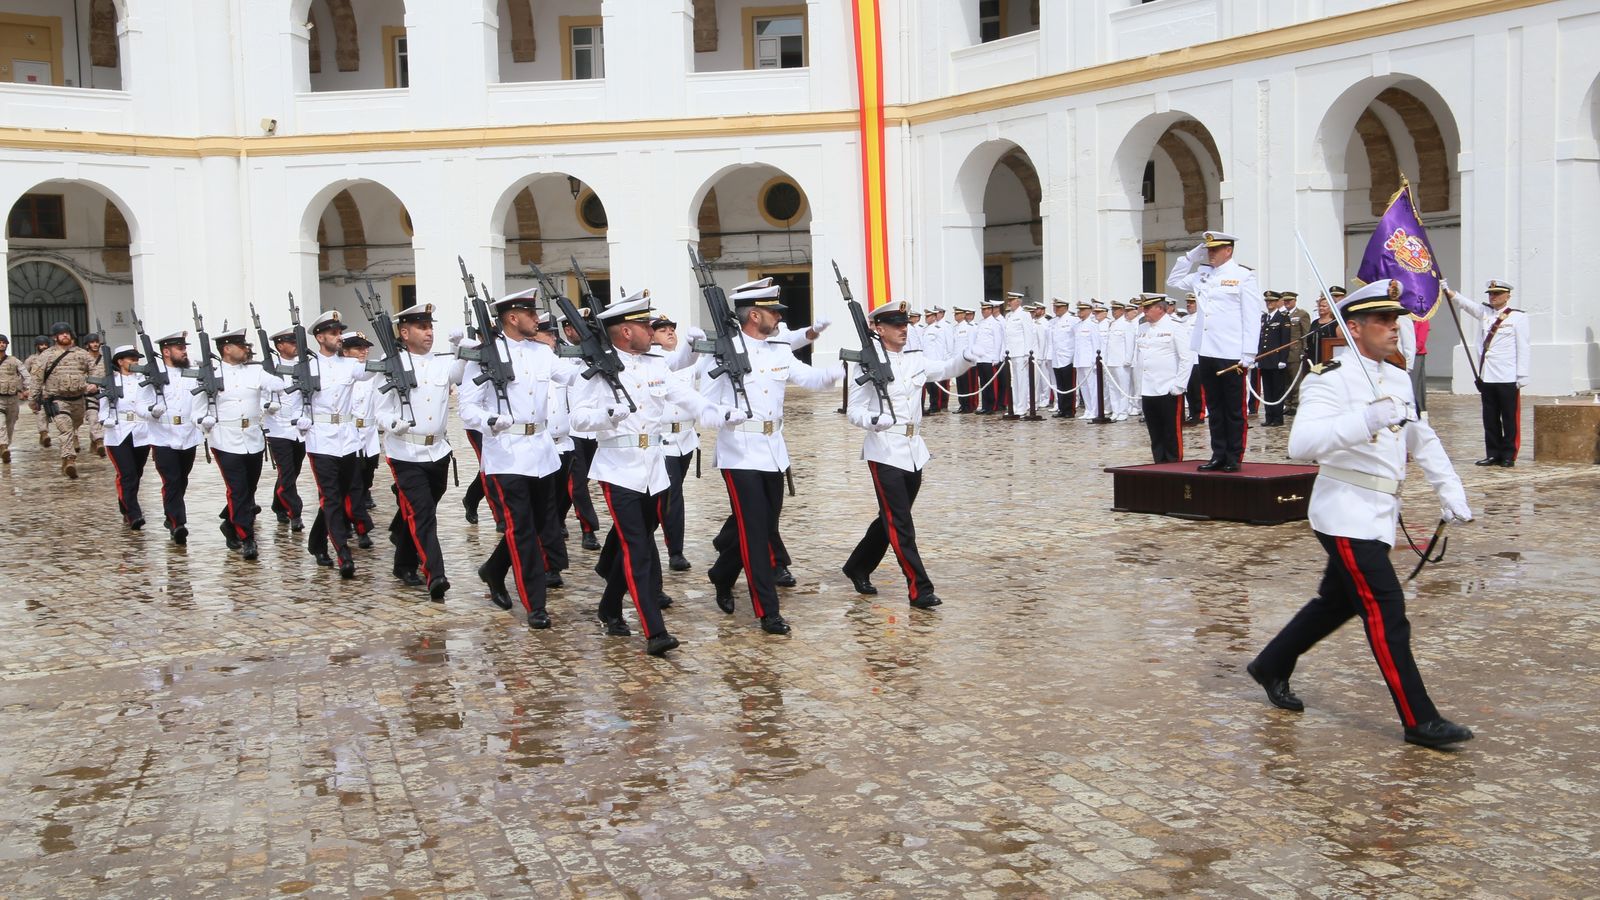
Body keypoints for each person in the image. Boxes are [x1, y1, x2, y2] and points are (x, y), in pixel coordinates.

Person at [1247, 279, 1476, 750]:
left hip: (1380, 510)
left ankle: (1271, 663)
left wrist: (1448, 488)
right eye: (1383, 320)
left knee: (1337, 600)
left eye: (1396, 319)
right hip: (1345, 510)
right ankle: (1420, 719)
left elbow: (1419, 437)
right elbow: (1301, 445)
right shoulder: (1328, 377)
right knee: (1386, 608)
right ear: (1354, 327)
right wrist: (1366, 420)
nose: (1395, 327)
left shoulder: (1394, 376)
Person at [575, 293, 742, 655]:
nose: (652, 330)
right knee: (639, 548)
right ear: (624, 332)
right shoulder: (598, 367)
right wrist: (609, 414)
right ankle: (654, 631)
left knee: (630, 542)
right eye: (644, 325)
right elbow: (577, 418)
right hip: (618, 468)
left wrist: (718, 413)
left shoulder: (655, 363)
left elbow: (684, 396)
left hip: (655, 465)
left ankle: (608, 606)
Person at [701, 278, 844, 635]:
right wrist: (724, 415)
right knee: (754, 533)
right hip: (738, 452)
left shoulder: (777, 348)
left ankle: (722, 574)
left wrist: (839, 373)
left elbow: (810, 379)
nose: (779, 318)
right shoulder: (722, 351)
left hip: (773, 450)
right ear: (753, 315)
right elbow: (702, 407)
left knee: (764, 526)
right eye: (772, 312)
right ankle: (768, 610)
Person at [842, 302, 976, 608]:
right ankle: (920, 588)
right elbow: (855, 410)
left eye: (905, 324)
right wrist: (873, 421)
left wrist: (967, 357)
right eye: (896, 325)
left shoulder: (914, 359)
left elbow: (945, 369)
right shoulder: (867, 363)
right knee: (900, 522)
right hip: (884, 448)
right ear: (878, 328)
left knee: (890, 518)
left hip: (914, 450)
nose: (904, 329)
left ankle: (858, 565)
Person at [458, 288, 571, 626]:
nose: (537, 318)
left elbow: (571, 375)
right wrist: (488, 420)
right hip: (506, 453)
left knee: (538, 526)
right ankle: (535, 604)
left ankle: (494, 570)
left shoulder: (541, 353)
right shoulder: (484, 355)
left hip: (541, 451)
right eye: (530, 313)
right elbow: (467, 407)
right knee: (521, 529)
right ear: (511, 318)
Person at [374, 303, 461, 601]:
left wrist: (458, 346)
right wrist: (391, 423)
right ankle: (435, 573)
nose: (429, 332)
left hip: (438, 451)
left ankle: (403, 562)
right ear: (404, 332)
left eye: (430, 327)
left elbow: (460, 373)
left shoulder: (440, 362)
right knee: (423, 514)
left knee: (422, 510)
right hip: (405, 452)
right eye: (422, 327)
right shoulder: (391, 363)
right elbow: (379, 410)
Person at [1167, 230, 1264, 472]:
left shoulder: (1243, 276)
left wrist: (1248, 354)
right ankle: (1218, 453)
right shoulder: (1202, 275)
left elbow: (1252, 317)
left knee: (1233, 408)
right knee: (1214, 407)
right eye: (1207, 250)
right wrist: (1192, 255)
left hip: (1231, 352)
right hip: (1206, 350)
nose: (1210, 254)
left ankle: (1234, 456)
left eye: (1214, 249)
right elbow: (1173, 281)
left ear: (1228, 250)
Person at [200, 327, 286, 560]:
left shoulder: (255, 371)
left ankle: (230, 523)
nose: (246, 349)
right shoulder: (210, 373)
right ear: (227, 349)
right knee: (237, 490)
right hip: (225, 438)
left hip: (253, 438)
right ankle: (247, 537)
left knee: (249, 489)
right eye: (241, 346)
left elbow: (276, 383)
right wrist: (203, 421)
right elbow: (197, 408)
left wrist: (281, 381)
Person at [302, 311, 376, 579]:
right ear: (320, 337)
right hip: (321, 439)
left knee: (338, 494)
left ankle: (316, 541)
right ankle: (343, 553)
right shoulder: (307, 366)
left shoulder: (349, 365)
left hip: (347, 438)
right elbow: (298, 399)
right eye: (333, 333)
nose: (338, 337)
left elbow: (371, 371)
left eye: (339, 332)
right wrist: (299, 419)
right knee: (331, 497)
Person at [1446, 279, 1530, 467]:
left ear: (1508, 296)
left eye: (1497, 294)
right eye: (1491, 294)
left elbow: (1523, 347)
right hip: (1487, 375)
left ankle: (1508, 454)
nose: (1493, 297)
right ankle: (1493, 453)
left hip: (1508, 376)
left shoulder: (1518, 317)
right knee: (1490, 418)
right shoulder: (1485, 313)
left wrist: (1522, 375)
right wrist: (1449, 292)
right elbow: (1466, 305)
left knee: (1509, 418)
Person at [141, 331, 204, 545]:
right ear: (166, 351)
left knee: (182, 479)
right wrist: (151, 411)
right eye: (180, 348)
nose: (184, 351)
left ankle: (171, 514)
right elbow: (139, 404)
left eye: (184, 347)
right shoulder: (152, 374)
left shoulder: (192, 372)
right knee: (172, 479)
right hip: (162, 435)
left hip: (188, 433)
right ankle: (178, 523)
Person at [651, 314, 698, 572]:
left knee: (672, 496)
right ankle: (675, 551)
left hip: (686, 439)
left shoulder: (687, 363)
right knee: (672, 497)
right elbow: (679, 359)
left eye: (672, 329)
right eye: (662, 330)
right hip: (664, 439)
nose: (670, 333)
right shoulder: (656, 360)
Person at [28, 321, 99, 479]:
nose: (65, 335)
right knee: (65, 429)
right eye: (61, 333)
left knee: (75, 425)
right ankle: (69, 460)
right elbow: (37, 378)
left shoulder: (81, 354)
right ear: (55, 337)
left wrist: (94, 384)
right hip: (57, 399)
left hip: (79, 399)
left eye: (67, 332)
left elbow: (94, 370)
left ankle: (67, 456)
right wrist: (34, 399)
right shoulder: (47, 355)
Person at [1134, 294, 1194, 463]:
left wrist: (1179, 384)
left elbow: (1186, 357)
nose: (1144, 311)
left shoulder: (1175, 327)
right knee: (1155, 433)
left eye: (1147, 308)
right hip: (1148, 388)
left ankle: (1174, 466)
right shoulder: (1143, 328)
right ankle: (1159, 465)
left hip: (1168, 388)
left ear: (1160, 308)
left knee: (1171, 433)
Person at [98, 344, 152, 528]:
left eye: (137, 359)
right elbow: (103, 407)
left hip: (141, 431)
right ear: (120, 361)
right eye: (131, 358)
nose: (135, 362)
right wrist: (105, 419)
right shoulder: (110, 381)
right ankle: (134, 514)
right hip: (119, 431)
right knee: (127, 474)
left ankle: (126, 502)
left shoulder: (144, 380)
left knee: (137, 473)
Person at [263, 327, 307, 531]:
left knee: (293, 470)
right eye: (291, 342)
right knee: (287, 471)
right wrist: (267, 405)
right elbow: (261, 393)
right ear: (280, 346)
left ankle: (278, 505)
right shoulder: (269, 368)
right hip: (278, 428)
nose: (296, 345)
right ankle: (294, 512)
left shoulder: (305, 365)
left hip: (299, 428)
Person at [342, 332, 379, 549]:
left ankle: (352, 514)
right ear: (345, 351)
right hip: (349, 433)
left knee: (366, 478)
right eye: (358, 348)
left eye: (365, 348)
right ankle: (357, 524)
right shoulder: (342, 373)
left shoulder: (372, 373)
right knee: (352, 483)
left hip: (369, 433)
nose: (364, 351)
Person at [1258, 292, 1292, 427]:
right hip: (1265, 360)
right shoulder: (1264, 317)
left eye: (1272, 301)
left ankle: (1277, 418)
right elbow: (1261, 340)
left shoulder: (1283, 318)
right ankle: (1269, 417)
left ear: (1278, 302)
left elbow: (1285, 341)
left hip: (1277, 360)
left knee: (1277, 390)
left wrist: (1283, 358)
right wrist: (1257, 357)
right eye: (1267, 301)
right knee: (1267, 390)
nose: (1269, 304)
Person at [1282, 291, 1311, 416]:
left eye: (1289, 300)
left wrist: (1304, 349)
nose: (1287, 303)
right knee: (1286, 380)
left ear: (1295, 300)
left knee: (1295, 379)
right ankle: (1287, 403)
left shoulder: (1302, 314)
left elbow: (1305, 333)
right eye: (1285, 300)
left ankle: (1295, 404)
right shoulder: (1282, 315)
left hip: (1295, 351)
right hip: (1284, 352)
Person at [80, 332, 108, 457]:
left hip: (103, 393)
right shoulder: (82, 359)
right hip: (88, 394)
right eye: (92, 342)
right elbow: (78, 376)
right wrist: (86, 386)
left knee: (101, 418)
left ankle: (94, 441)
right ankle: (99, 441)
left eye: (97, 342)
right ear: (87, 345)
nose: (95, 344)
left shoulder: (105, 359)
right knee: (93, 417)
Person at [1048, 300, 1077, 417]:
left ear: (1065, 307)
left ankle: (1069, 410)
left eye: (1059, 307)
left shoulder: (1073, 320)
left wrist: (1074, 356)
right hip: (1056, 357)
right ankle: (1062, 408)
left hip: (1067, 357)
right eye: (1055, 307)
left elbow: (1075, 339)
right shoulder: (1053, 322)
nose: (1056, 309)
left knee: (1069, 385)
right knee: (1059, 385)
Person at [0, 334, 25, 463]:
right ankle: (3, 445)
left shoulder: (14, 361)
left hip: (13, 399)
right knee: (0, 425)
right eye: (0, 342)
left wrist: (27, 389)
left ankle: (5, 447)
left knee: (10, 425)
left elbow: (25, 374)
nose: (2, 344)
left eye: (4, 342)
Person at [24, 335, 52, 447]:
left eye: (45, 344)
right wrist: (25, 389)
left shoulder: (53, 357)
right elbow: (24, 374)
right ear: (37, 346)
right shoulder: (31, 360)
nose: (44, 347)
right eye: (41, 345)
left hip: (53, 390)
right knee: (41, 413)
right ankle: (44, 433)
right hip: (38, 390)